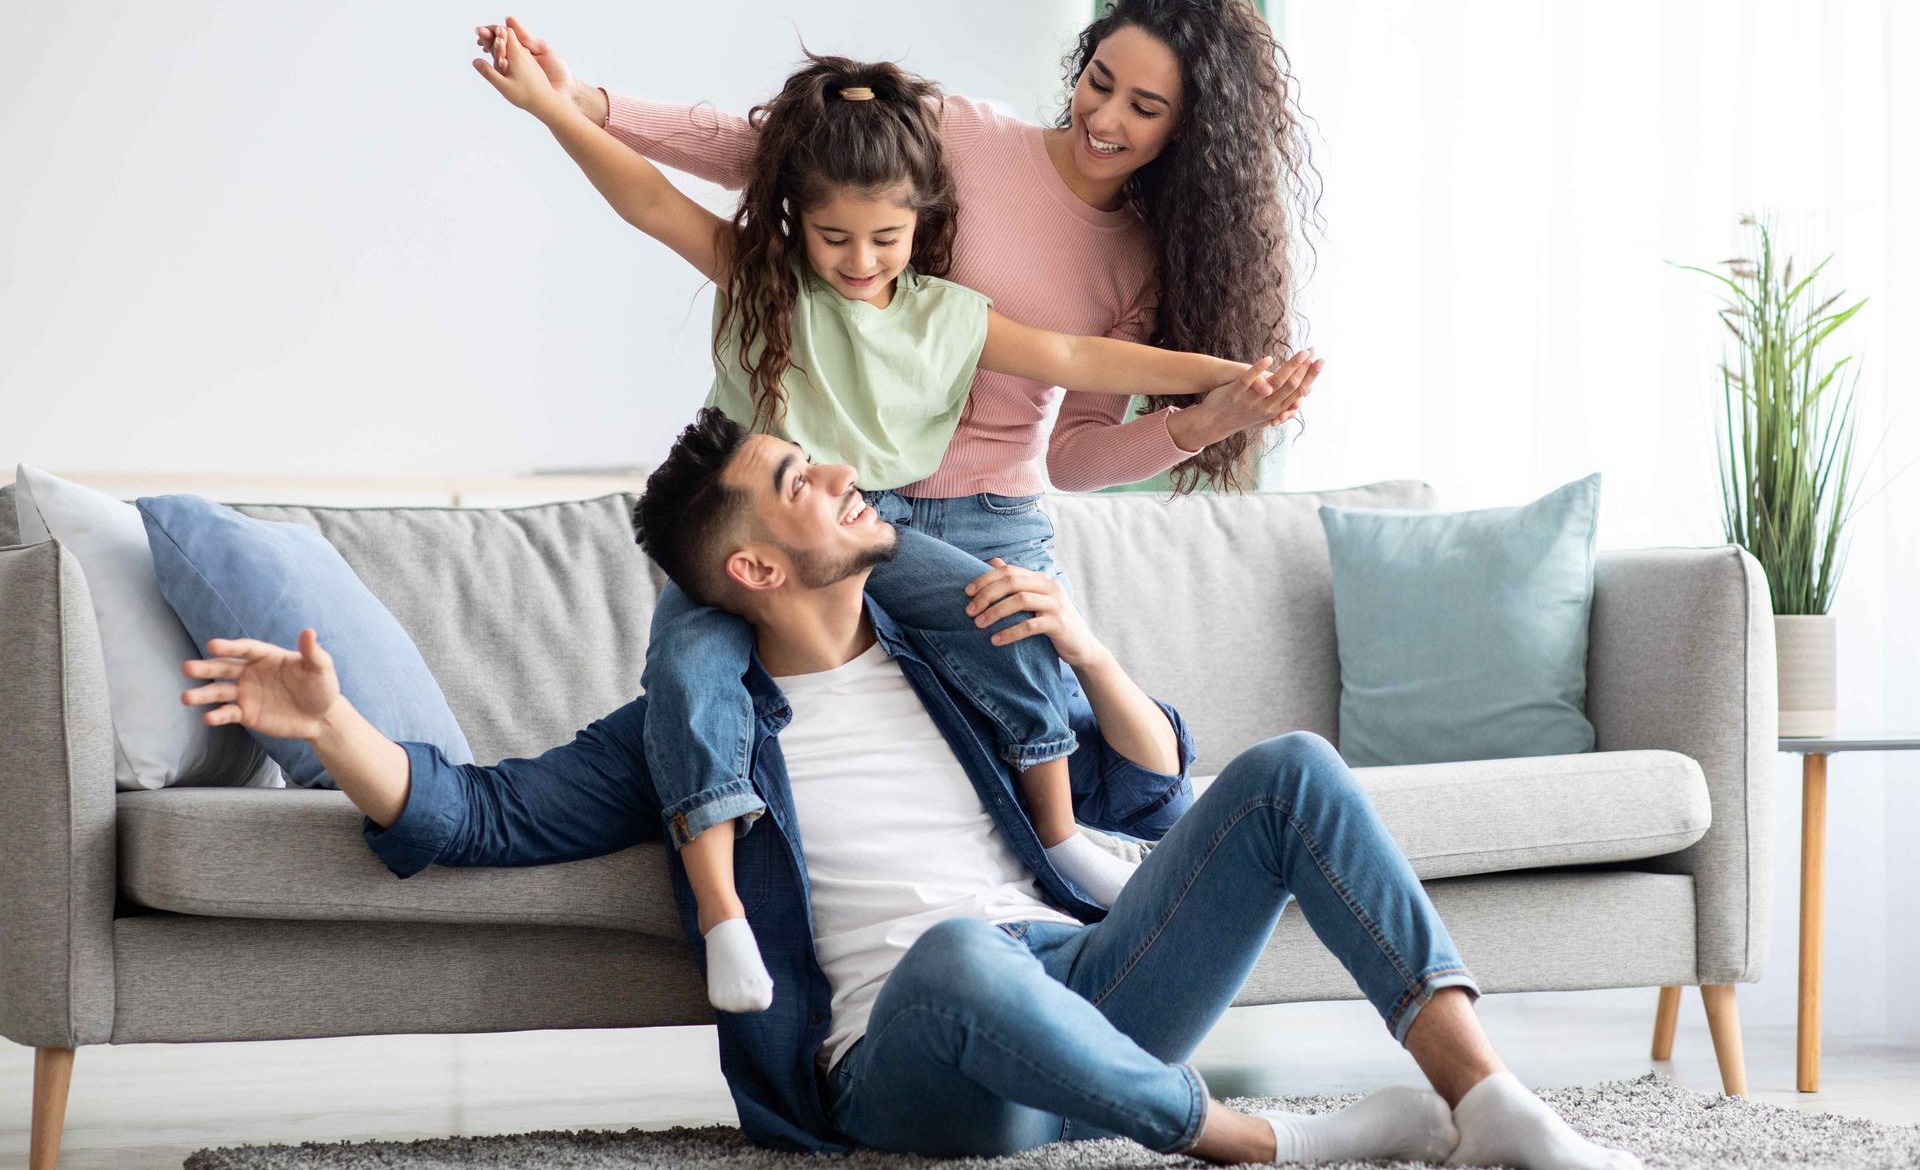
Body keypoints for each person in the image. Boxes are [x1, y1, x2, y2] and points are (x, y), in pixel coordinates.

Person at [179, 409, 1642, 1170]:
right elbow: (472, 816)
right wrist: (334, 724)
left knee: (1294, 772)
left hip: (1079, 982)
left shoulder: (952, 659)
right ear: (753, 570)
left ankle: (1490, 1100)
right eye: (801, 482)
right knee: (958, 954)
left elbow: (1149, 797)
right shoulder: (694, 732)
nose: (841, 479)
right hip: (907, 1058)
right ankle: (1264, 1140)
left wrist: (1079, 638)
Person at [474, 25, 1316, 1014]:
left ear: (923, 226)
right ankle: (722, 915)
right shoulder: (767, 279)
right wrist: (559, 105)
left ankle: (1057, 835)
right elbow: (655, 197)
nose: (860, 261)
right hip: (749, 529)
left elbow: (1084, 364)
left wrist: (1226, 377)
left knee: (997, 606)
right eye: (835, 238)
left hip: (867, 530)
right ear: (798, 221)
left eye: (885, 239)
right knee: (689, 677)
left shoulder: (948, 314)